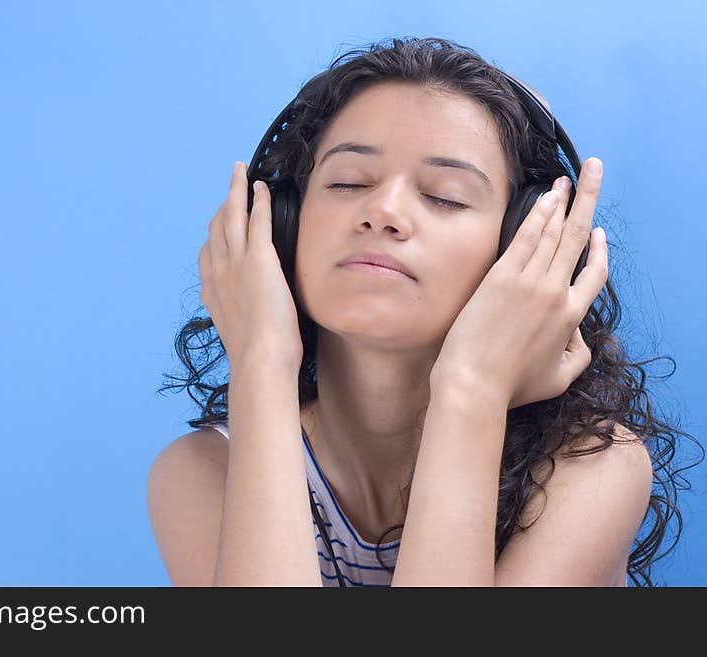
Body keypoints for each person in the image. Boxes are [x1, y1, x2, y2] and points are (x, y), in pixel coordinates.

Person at [149, 36, 702, 587]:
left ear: (525, 247)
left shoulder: (589, 471)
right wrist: (261, 359)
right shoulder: (200, 474)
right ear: (283, 222)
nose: (383, 211)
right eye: (348, 182)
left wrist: (471, 389)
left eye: (445, 196)